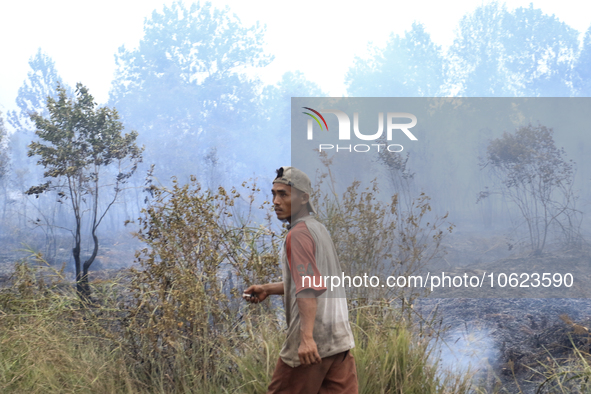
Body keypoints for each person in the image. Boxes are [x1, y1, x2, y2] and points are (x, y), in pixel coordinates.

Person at [243, 166, 358, 394]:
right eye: (274, 193)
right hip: (338, 340)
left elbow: (307, 289)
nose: (275, 201)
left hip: (311, 347)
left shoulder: (297, 235)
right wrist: (268, 288)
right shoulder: (318, 229)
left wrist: (306, 339)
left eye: (283, 194)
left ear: (304, 198)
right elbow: (315, 282)